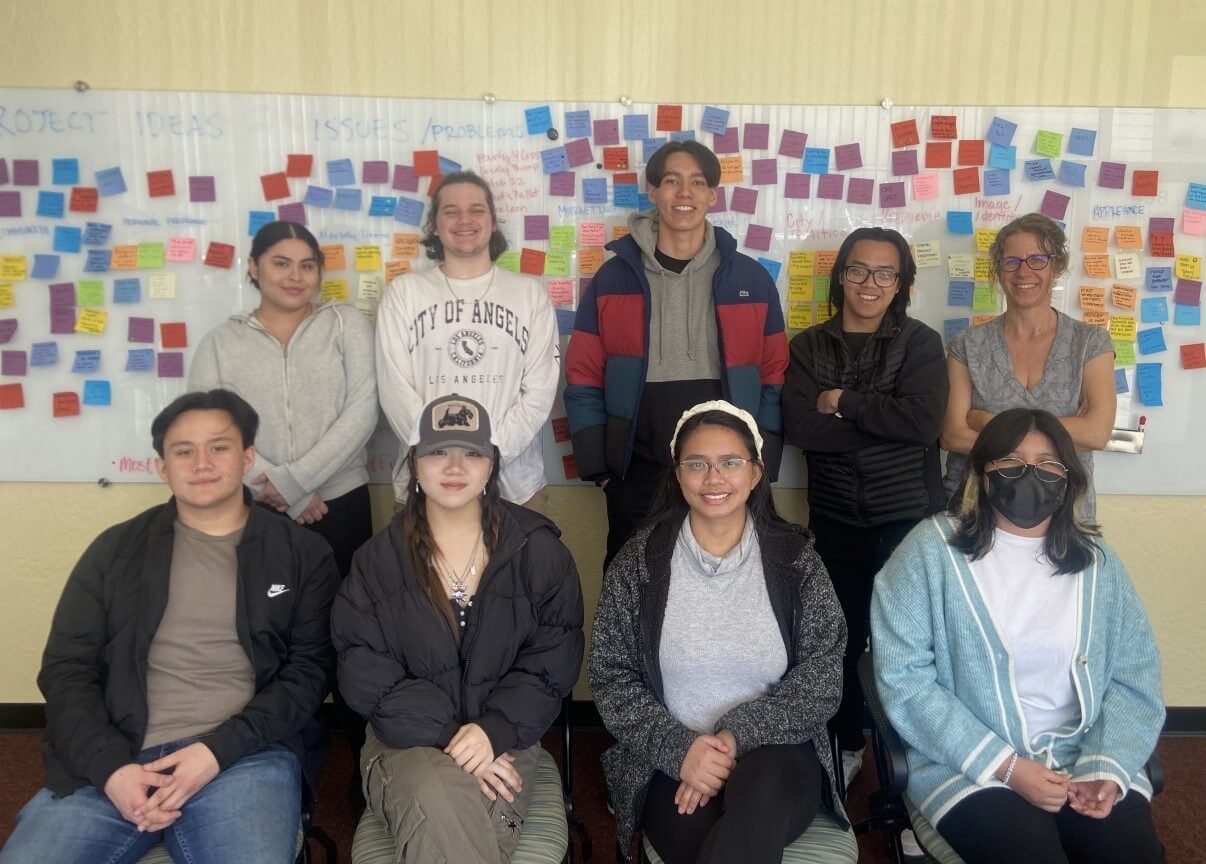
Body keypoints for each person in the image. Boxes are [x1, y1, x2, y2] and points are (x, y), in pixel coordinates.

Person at [0, 389, 339, 864]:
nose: (201, 462)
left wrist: (217, 750)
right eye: (184, 451)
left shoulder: (302, 554)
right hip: (120, 752)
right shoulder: (115, 551)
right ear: (162, 467)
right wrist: (111, 768)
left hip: (244, 755)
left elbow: (310, 673)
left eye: (219, 447)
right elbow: (66, 670)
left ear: (247, 458)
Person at [871, 408, 1165, 864]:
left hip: (1079, 754)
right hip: (969, 765)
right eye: (1011, 461)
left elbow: (1135, 677)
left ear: (1068, 478)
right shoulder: (929, 553)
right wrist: (1007, 767)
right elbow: (904, 680)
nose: (1031, 474)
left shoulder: (1097, 563)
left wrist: (1106, 763)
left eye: (1048, 464)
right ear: (982, 473)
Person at [589, 401, 847, 864]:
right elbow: (611, 678)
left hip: (778, 754)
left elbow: (823, 675)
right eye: (697, 464)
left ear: (755, 473)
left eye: (731, 462)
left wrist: (733, 738)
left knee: (760, 793)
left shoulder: (795, 560)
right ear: (676, 474)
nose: (714, 478)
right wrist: (682, 750)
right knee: (728, 842)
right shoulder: (638, 565)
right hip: (669, 760)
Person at [331, 393, 584, 864]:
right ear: (415, 465)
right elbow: (364, 669)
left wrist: (491, 732)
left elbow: (552, 661)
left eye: (471, 452)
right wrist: (456, 734)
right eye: (437, 451)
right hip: (405, 741)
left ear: (492, 466)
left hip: (508, 736)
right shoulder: (376, 562)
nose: (454, 465)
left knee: (449, 822)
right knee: (436, 792)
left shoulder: (541, 554)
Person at [565, 141, 788, 569]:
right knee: (633, 586)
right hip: (636, 469)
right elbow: (583, 374)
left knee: (728, 583)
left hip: (725, 471)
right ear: (652, 191)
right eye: (672, 181)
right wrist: (601, 467)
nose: (684, 193)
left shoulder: (751, 279)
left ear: (712, 195)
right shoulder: (613, 278)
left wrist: (761, 460)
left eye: (697, 182)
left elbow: (774, 375)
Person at [781, 226, 948, 789]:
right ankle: (846, 745)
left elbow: (924, 425)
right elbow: (802, 429)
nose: (869, 283)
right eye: (858, 270)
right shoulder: (807, 346)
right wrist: (885, 423)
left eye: (884, 273)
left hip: (909, 521)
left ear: (900, 283)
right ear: (841, 276)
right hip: (835, 524)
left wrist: (844, 404)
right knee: (839, 642)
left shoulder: (921, 344)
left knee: (917, 647)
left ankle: (927, 756)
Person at [189, 219, 378, 579]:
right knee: (264, 622)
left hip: (340, 502)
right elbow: (209, 430)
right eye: (281, 263)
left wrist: (295, 483)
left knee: (344, 618)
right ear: (254, 267)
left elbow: (363, 410)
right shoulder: (221, 342)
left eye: (307, 265)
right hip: (255, 503)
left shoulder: (346, 324)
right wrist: (279, 488)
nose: (295, 276)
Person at [375, 171, 560, 513]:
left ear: (493, 222)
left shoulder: (529, 295)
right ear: (434, 224)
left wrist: (484, 458)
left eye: (477, 210)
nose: (464, 220)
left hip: (514, 487)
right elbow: (395, 392)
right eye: (450, 211)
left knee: (522, 568)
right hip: (424, 485)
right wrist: (443, 461)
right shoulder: (404, 294)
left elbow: (538, 393)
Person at [941, 212, 1116, 521]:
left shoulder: (1090, 343)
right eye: (1012, 261)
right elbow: (953, 436)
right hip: (976, 513)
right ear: (998, 269)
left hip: (1062, 515)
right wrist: (1057, 435)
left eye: (1037, 260)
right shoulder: (966, 345)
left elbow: (1096, 433)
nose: (1023, 272)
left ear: (1057, 267)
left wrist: (989, 422)